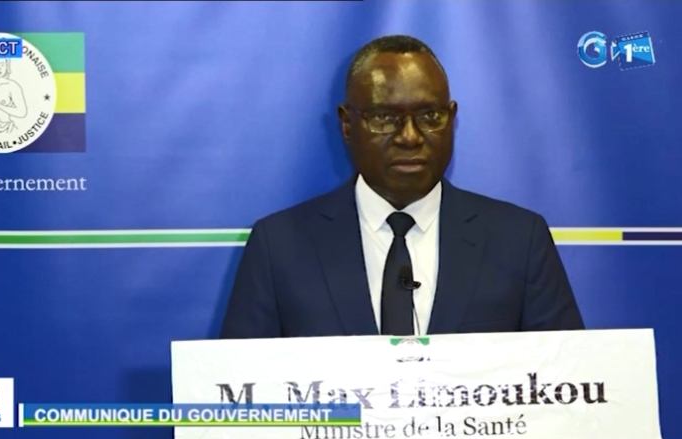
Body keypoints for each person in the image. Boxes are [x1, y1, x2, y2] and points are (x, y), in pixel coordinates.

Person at [220, 35, 584, 339]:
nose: (410, 137)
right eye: (384, 117)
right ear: (347, 125)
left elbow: (569, 382)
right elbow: (240, 391)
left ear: (452, 118)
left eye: (430, 116)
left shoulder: (519, 240)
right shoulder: (278, 246)